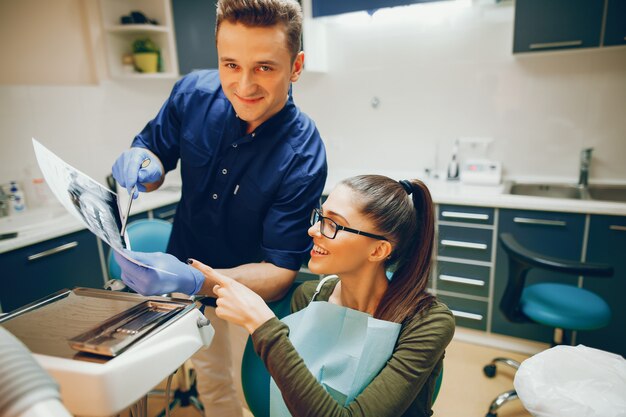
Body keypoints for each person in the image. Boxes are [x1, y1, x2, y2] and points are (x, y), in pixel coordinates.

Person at [111, 0, 327, 415]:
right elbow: (154, 153)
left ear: (296, 66)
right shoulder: (192, 93)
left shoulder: (303, 152)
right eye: (230, 65)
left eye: (264, 67)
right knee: (215, 386)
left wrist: (195, 280)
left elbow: (280, 272)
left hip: (252, 292)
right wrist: (146, 162)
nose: (243, 85)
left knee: (260, 391)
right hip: (184, 265)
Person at [185, 174, 456, 417]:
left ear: (377, 251)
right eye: (319, 216)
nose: (313, 230)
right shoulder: (312, 298)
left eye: (333, 225)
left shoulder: (427, 321)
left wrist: (263, 327)